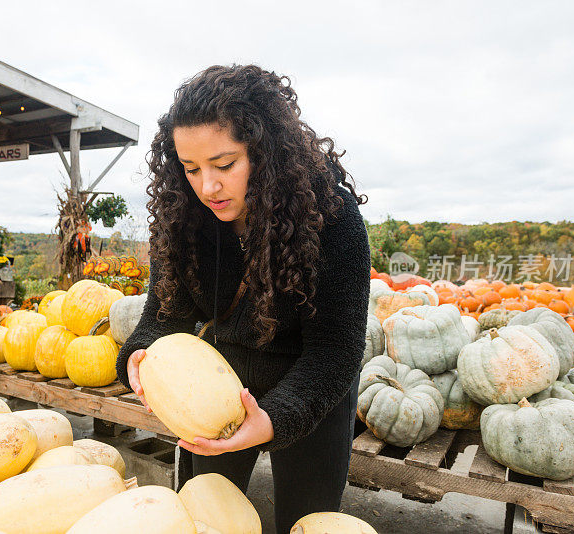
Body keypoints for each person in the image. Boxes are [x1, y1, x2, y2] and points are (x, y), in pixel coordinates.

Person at [115, 64, 371, 533]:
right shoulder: (184, 217)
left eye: (225, 165)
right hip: (221, 385)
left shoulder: (333, 219)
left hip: (313, 389)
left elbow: (336, 351)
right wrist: (138, 354)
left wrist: (274, 419)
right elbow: (164, 315)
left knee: (308, 523)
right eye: (191, 168)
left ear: (265, 150)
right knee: (202, 519)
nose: (207, 186)